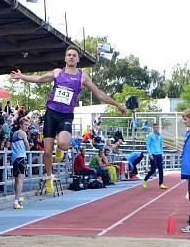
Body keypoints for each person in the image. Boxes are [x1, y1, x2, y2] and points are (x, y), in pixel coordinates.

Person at [11, 46, 126, 194]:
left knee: (64, 144)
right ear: (65, 58)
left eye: (74, 55)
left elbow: (100, 95)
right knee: (46, 151)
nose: (71, 57)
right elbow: (39, 79)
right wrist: (22, 77)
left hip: (66, 115)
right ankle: (49, 176)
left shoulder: (82, 77)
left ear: (78, 59)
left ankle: (60, 150)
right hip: (51, 113)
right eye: (69, 55)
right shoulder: (57, 72)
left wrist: (117, 104)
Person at [11, 117, 30, 209]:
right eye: (25, 125)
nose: (27, 127)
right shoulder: (22, 133)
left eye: (28, 125)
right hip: (21, 157)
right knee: (20, 180)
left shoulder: (14, 133)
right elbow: (27, 144)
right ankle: (16, 201)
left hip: (14, 158)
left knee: (16, 180)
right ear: (21, 125)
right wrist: (28, 147)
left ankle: (18, 199)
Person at [143, 123, 166, 189]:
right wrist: (150, 154)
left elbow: (161, 145)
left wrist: (162, 153)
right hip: (153, 154)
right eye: (155, 127)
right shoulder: (150, 135)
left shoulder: (160, 135)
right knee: (153, 169)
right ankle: (145, 180)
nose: (156, 129)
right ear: (153, 128)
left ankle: (161, 184)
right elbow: (148, 145)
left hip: (159, 154)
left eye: (157, 127)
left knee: (161, 169)